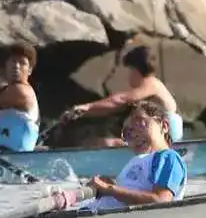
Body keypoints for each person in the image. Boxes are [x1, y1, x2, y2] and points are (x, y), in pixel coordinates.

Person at [57, 45, 187, 144]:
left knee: (104, 143)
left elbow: (119, 100)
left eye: (129, 71)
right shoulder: (149, 87)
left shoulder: (151, 83)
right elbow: (111, 108)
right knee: (107, 140)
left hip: (166, 135)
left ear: (135, 70)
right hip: (158, 132)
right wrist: (83, 112)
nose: (128, 76)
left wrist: (87, 107)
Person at [82, 99, 186, 211]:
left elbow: (161, 202)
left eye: (140, 123)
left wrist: (110, 189)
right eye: (128, 132)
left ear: (164, 126)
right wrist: (110, 186)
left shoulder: (168, 158)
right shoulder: (136, 161)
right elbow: (131, 191)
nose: (134, 134)